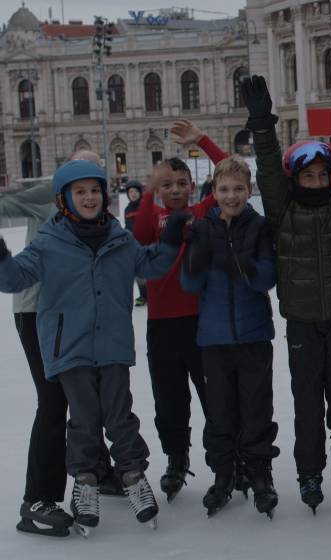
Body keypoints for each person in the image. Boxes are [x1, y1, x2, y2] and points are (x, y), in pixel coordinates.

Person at [0, 160, 189, 534]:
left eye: (95, 190)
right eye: (80, 191)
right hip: (70, 349)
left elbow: (150, 266)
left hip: (113, 346)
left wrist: (170, 240)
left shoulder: (119, 238)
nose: (89, 197)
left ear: (105, 196)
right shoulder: (50, 242)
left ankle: (133, 477)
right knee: (83, 420)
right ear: (64, 199)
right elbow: (14, 278)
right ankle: (85, 483)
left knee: (121, 416)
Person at [240, 70, 331, 512]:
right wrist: (262, 124)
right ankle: (310, 473)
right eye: (309, 177)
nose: (317, 183)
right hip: (300, 322)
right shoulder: (282, 211)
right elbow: (266, 166)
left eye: (323, 176)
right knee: (306, 404)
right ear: (295, 180)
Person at [2, 151, 122, 537]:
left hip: (76, 314)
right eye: (78, 181)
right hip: (38, 310)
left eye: (95, 181)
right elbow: (5, 206)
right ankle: (37, 499)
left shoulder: (97, 213)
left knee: (89, 392)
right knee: (54, 400)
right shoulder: (47, 196)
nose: (87, 192)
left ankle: (97, 471)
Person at [180, 156, 279, 518]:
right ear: (214, 191)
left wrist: (242, 263)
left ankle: (258, 472)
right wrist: (196, 257)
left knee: (256, 410)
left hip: (253, 336)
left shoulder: (259, 227)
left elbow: (267, 277)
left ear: (249, 190)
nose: (232, 195)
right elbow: (189, 284)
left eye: (239, 189)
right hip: (215, 340)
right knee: (220, 413)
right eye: (224, 189)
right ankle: (224, 473)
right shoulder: (203, 229)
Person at [133, 156, 211, 502]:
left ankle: (229, 459)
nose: (175, 190)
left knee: (215, 397)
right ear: (158, 189)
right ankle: (176, 459)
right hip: (161, 325)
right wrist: (150, 190)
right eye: (167, 185)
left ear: (192, 186)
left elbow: (231, 166)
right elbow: (138, 239)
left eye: (181, 183)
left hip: (201, 322)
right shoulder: (151, 215)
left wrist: (201, 142)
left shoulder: (203, 211)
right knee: (169, 400)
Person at [123, 180, 147, 306]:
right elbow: (127, 226)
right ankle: (143, 295)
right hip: (134, 244)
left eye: (135, 191)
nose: (133, 194)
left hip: (146, 243)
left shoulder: (145, 206)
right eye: (130, 192)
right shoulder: (127, 209)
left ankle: (152, 295)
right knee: (138, 272)